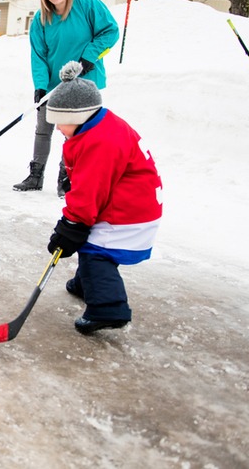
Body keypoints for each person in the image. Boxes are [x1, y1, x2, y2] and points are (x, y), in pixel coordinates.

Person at [45, 61, 162, 335]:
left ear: (80, 115)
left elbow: (90, 192)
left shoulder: (100, 142)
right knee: (92, 244)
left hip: (128, 213)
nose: (58, 128)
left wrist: (71, 225)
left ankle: (108, 307)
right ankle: (88, 284)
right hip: (129, 204)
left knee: (95, 251)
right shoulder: (100, 126)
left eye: (61, 122)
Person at [14, 0, 120, 197]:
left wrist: (90, 56)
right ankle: (36, 175)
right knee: (43, 128)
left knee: (73, 132)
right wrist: (40, 85)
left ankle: (66, 178)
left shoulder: (87, 4)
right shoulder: (42, 18)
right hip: (53, 84)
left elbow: (110, 31)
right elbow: (39, 55)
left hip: (84, 80)